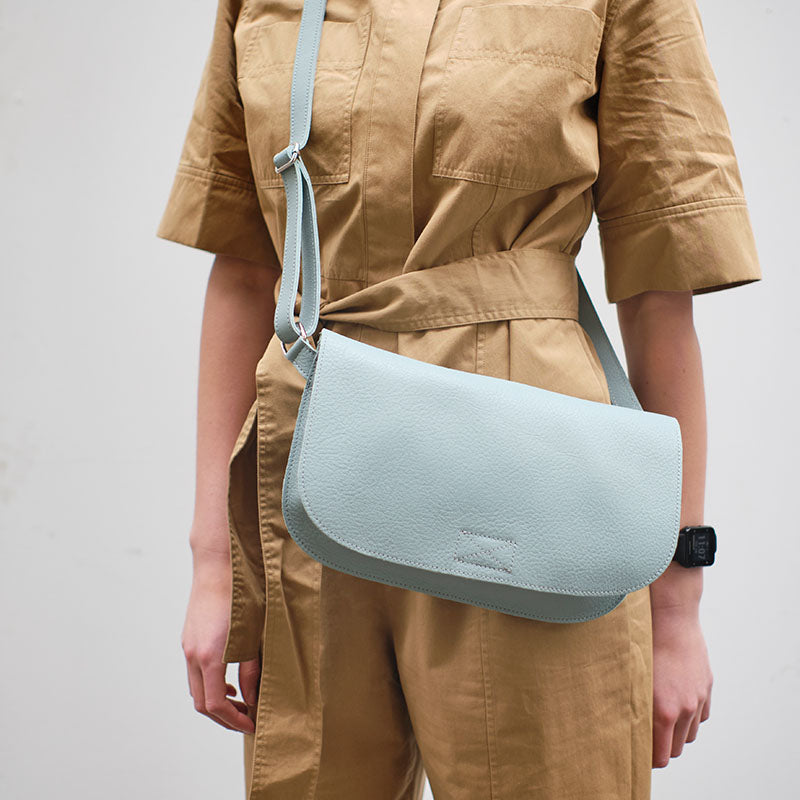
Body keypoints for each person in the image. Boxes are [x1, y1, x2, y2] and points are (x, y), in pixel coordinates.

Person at [156, 0, 762, 797]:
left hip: (531, 497)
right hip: (313, 481)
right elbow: (244, 269)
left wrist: (677, 601)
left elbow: (659, 295)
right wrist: (217, 569)